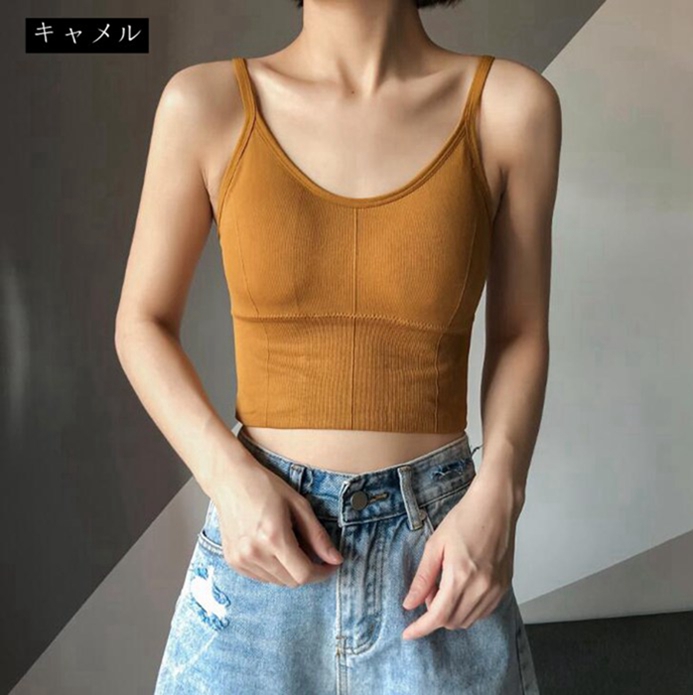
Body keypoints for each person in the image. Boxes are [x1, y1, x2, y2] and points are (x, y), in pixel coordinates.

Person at [115, 0, 561, 692]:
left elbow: (519, 331)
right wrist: (227, 479)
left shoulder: (510, 107)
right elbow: (140, 322)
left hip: (437, 560)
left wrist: (502, 491)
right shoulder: (204, 105)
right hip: (264, 551)